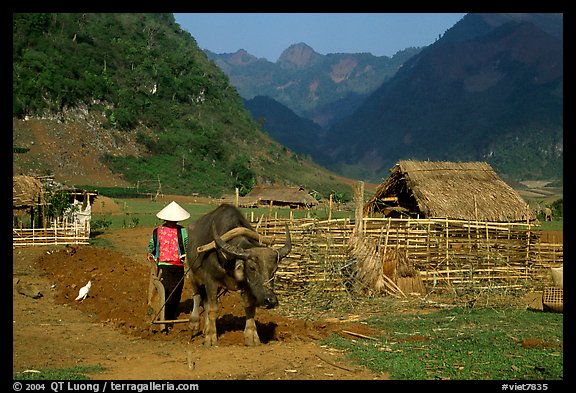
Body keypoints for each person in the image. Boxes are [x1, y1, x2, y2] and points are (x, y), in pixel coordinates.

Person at [147, 201, 190, 331]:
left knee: (175, 292)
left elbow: (186, 245)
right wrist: (150, 253)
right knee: (168, 292)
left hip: (177, 265)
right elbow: (151, 246)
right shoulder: (160, 232)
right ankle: (166, 317)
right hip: (164, 266)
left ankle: (168, 315)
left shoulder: (180, 231)